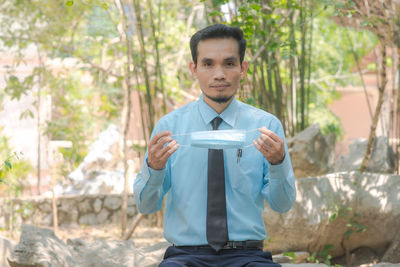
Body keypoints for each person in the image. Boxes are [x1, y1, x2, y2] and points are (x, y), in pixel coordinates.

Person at [134, 24, 296, 267]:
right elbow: (146, 205)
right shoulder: (169, 127)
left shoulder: (265, 126)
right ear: (194, 69)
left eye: (229, 63)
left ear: (242, 69)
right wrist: (153, 168)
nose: (218, 74)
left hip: (247, 256)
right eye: (208, 64)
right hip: (185, 256)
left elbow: (282, 204)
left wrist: (278, 162)